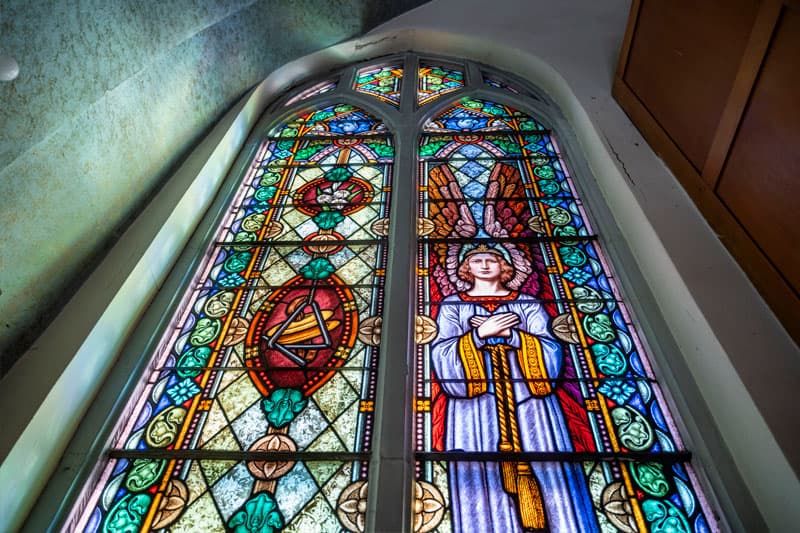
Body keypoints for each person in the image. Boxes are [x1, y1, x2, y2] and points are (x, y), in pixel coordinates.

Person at [431, 245, 598, 532]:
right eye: (476, 260)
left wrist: (512, 335)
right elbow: (441, 354)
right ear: (465, 269)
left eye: (492, 260)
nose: (484, 265)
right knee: (480, 480)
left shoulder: (527, 304)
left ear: (506, 267)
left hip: (531, 404)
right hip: (475, 408)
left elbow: (551, 351)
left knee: (549, 470)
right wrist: (479, 335)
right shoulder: (452, 306)